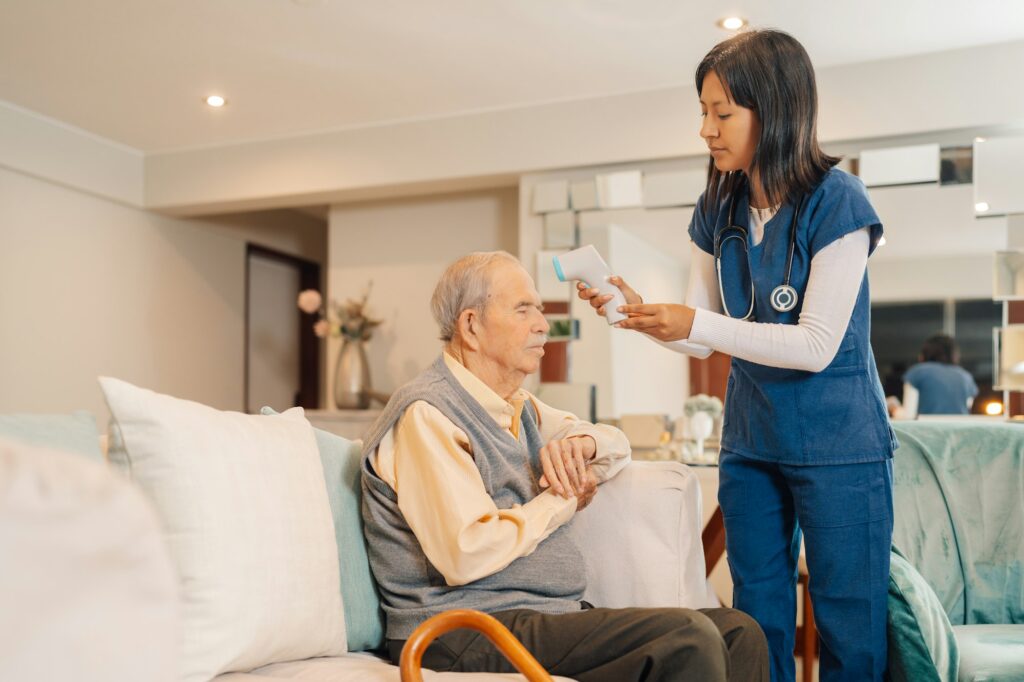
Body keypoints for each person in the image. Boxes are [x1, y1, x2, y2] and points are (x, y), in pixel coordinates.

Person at [578, 30, 896, 682]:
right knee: (757, 616)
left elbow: (813, 346)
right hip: (751, 440)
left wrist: (695, 321)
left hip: (840, 442)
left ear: (775, 109)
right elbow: (705, 334)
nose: (706, 129)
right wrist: (640, 315)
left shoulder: (838, 202)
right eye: (704, 112)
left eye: (722, 113)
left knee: (847, 621)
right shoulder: (718, 205)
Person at [361, 251, 768, 682]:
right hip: (460, 627)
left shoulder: (516, 406)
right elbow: (466, 552)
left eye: (539, 309)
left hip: (536, 615)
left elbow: (616, 444)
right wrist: (562, 500)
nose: (543, 324)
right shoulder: (428, 413)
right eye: (523, 310)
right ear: (471, 326)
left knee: (740, 632)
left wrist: (585, 444)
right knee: (688, 637)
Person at [902, 334, 978, 416]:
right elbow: (967, 407)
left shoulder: (918, 372)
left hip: (927, 427)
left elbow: (908, 414)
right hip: (959, 427)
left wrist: (893, 408)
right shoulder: (966, 376)